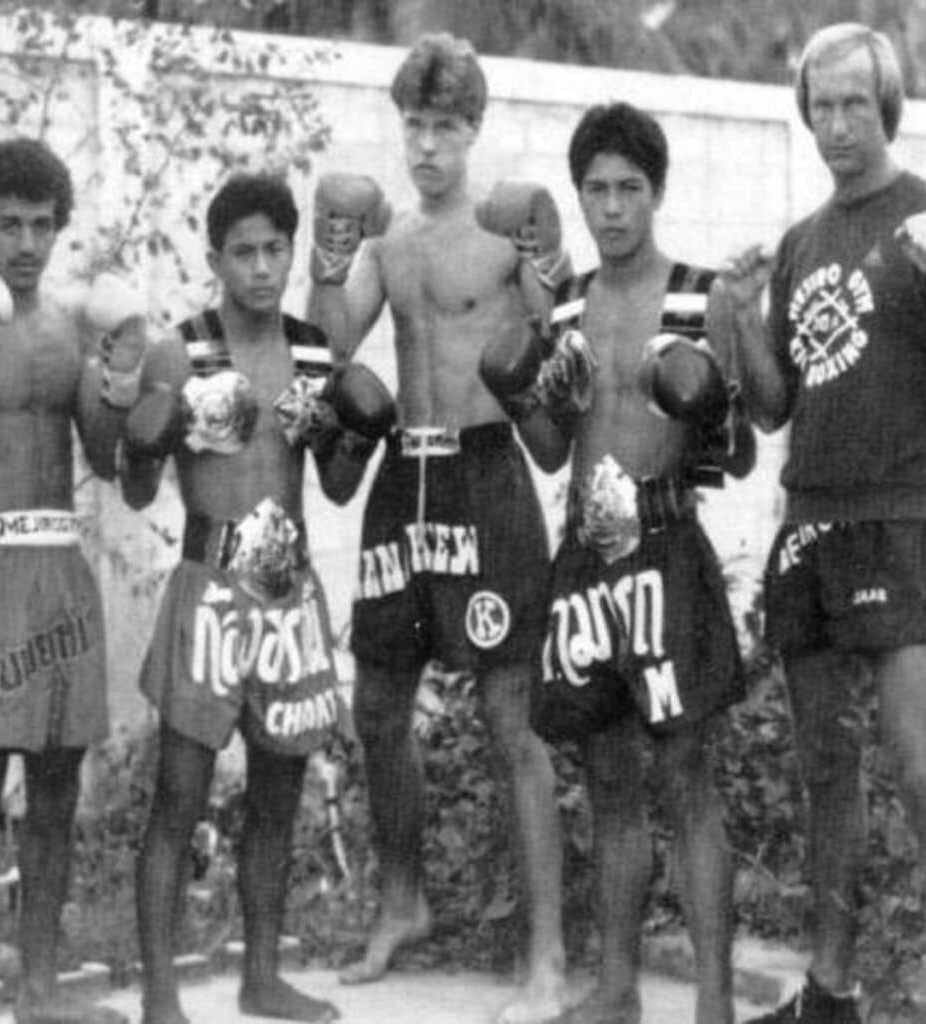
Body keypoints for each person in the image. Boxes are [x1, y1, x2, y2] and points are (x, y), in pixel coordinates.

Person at [305, 32, 571, 1024]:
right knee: (377, 708)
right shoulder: (388, 242)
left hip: (487, 474)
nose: (425, 145)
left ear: (474, 130)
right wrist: (325, 248)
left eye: (444, 126)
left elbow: (558, 326)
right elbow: (331, 338)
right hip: (400, 482)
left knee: (514, 723)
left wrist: (550, 247)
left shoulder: (504, 237)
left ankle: (544, 956)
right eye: (412, 124)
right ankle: (403, 900)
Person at [716, 23, 926, 1023]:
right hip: (811, 525)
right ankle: (830, 989)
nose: (834, 124)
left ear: (887, 107)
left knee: (920, 762)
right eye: (819, 105)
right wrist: (734, 322)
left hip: (900, 519)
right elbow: (774, 406)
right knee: (827, 768)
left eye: (853, 104)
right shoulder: (801, 241)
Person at [122, 171, 398, 1024]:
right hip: (208, 587)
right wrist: (144, 436)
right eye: (242, 251)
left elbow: (340, 487)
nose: (261, 266)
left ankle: (261, 976)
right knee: (179, 792)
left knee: (277, 794)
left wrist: (361, 428)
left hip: (285, 593)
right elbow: (136, 489)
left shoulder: (314, 354)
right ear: (215, 259)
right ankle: (164, 992)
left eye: (274, 249)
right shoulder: (182, 350)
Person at [515, 103, 746, 1024]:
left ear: (658, 192)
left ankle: (716, 1005)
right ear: (579, 198)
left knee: (688, 777)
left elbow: (735, 456)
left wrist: (705, 405)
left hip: (665, 540)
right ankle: (615, 990)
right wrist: (519, 387)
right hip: (588, 553)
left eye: (628, 189)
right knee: (607, 780)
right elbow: (545, 449)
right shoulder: (564, 304)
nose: (611, 208)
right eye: (596, 191)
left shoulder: (702, 295)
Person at [0, 137, 147, 1024]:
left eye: (39, 226)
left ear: (59, 229)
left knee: (58, 786)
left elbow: (105, 459)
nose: (25, 243)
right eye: (8, 226)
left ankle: (37, 993)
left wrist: (123, 375)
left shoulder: (71, 330)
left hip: (59, 567)